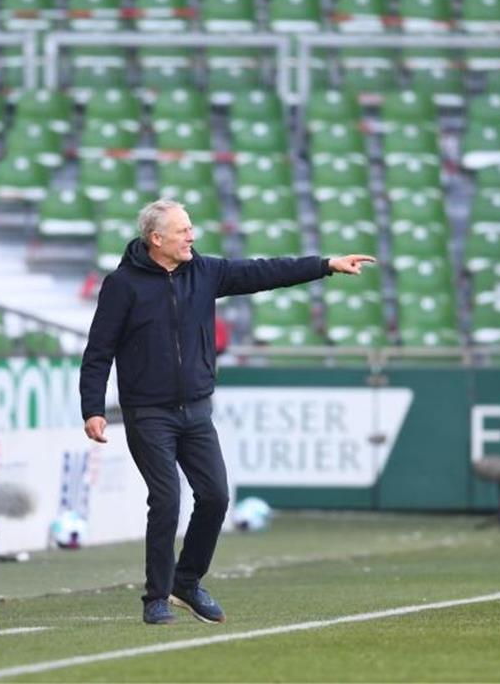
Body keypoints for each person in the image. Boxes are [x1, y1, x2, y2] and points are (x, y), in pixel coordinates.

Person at [79, 199, 375, 625]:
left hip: (197, 410)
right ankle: (155, 598)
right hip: (148, 412)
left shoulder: (206, 271)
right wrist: (93, 407)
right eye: (183, 230)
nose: (192, 236)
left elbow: (264, 272)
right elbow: (99, 350)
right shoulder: (123, 285)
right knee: (166, 501)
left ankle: (187, 581)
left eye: (191, 228)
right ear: (156, 239)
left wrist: (325, 264)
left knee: (216, 496)